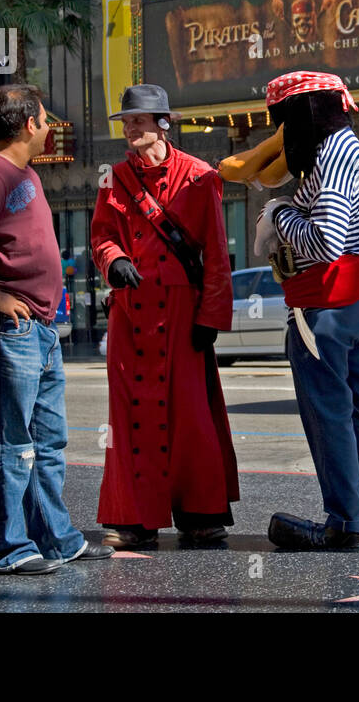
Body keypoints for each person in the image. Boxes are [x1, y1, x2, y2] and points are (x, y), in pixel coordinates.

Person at [0, 84, 114, 575]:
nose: (50, 126)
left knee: (46, 441)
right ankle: (8, 550)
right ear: (28, 124)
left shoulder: (26, 175)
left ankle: (56, 539)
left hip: (37, 328)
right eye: (45, 118)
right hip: (5, 326)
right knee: (9, 442)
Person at [249, 71, 359, 550]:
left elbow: (325, 239)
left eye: (285, 121)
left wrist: (278, 214)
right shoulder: (355, 151)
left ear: (304, 113)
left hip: (322, 304)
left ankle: (347, 520)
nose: (282, 134)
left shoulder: (330, 156)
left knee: (329, 413)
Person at [91, 84, 238, 548]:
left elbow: (216, 252)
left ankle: (201, 512)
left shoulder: (200, 176)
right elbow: (100, 237)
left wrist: (210, 317)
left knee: (190, 415)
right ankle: (134, 518)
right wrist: (113, 259)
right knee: (130, 416)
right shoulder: (112, 178)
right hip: (130, 314)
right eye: (127, 121)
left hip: (181, 315)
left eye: (140, 120)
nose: (132, 127)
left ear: (163, 124)